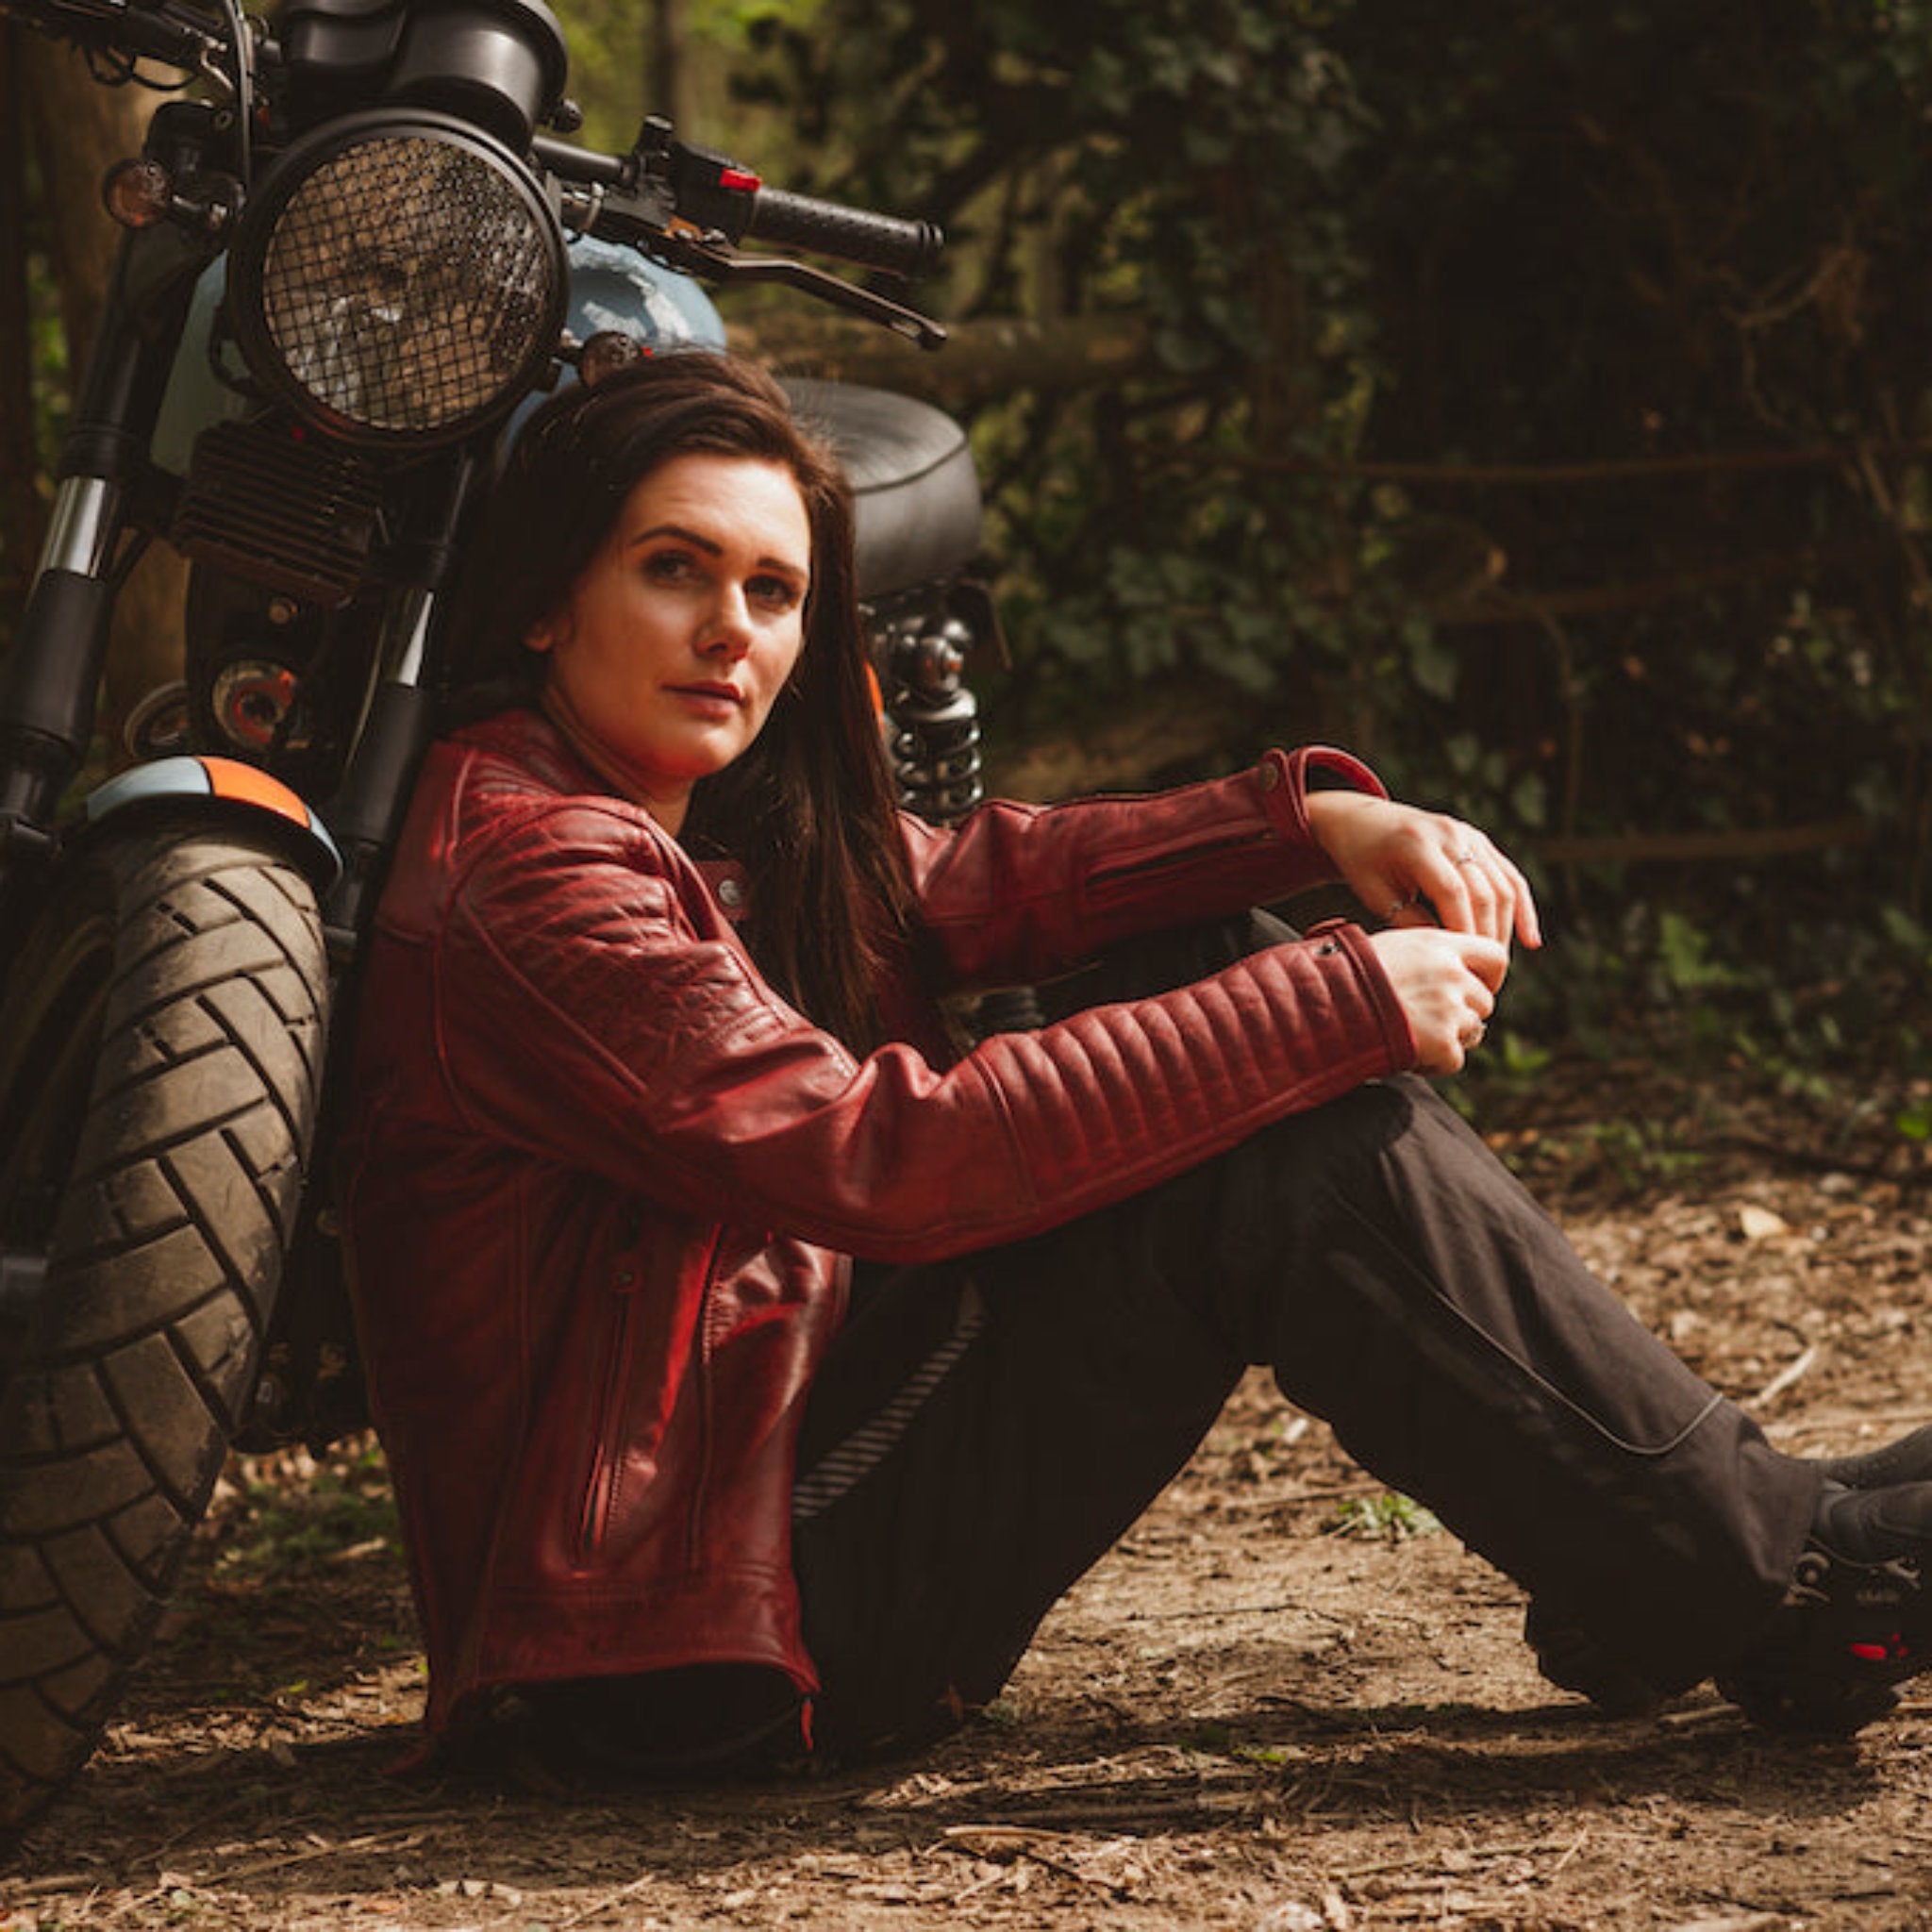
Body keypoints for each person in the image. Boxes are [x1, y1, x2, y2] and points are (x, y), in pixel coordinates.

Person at [341, 350, 1932, 1779]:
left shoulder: (666, 819)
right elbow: (880, 1157)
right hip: (680, 1637)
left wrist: (1308, 822)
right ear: (550, 596)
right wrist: (1340, 1004)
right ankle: (1773, 1591)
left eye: (772, 592)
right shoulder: (539, 873)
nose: (729, 634)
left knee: (1208, 961)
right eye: (674, 572)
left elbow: (981, 877)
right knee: (1272, 1138)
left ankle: (1676, 1560)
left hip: (760, 1506)